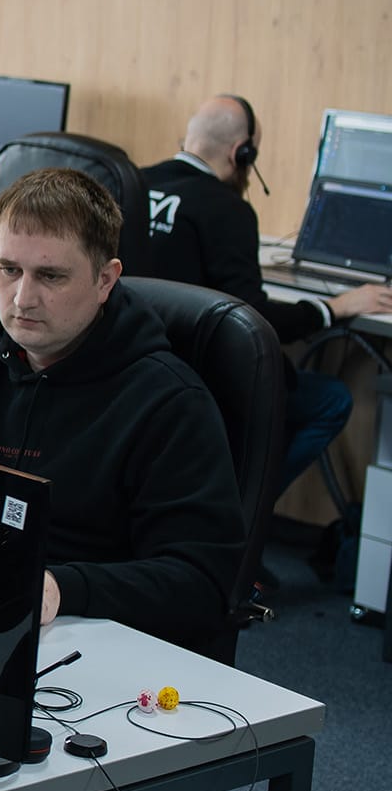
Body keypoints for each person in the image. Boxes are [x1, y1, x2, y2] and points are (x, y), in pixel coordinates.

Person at [0, 168, 246, 657]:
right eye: (8, 269)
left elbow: (202, 583)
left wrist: (63, 587)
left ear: (106, 279)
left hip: (89, 645)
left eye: (51, 276)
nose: (21, 299)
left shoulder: (169, 403)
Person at [142, 94, 392, 493]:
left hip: (141, 376)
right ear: (242, 153)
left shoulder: (132, 184)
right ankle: (243, 508)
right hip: (204, 383)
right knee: (331, 400)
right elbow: (257, 321)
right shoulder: (229, 211)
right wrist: (335, 307)